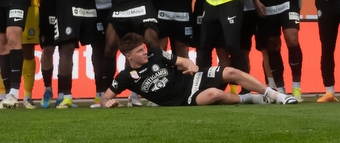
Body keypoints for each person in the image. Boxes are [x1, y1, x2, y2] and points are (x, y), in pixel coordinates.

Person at [101, 33, 296, 107]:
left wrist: (191, 65)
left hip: (193, 78)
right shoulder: (126, 77)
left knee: (231, 72)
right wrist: (107, 104)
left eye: (143, 48)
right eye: (139, 51)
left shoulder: (156, 55)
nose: (144, 52)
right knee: (214, 94)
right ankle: (253, 99)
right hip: (183, 99)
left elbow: (184, 62)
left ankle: (276, 96)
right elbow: (105, 98)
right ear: (128, 57)